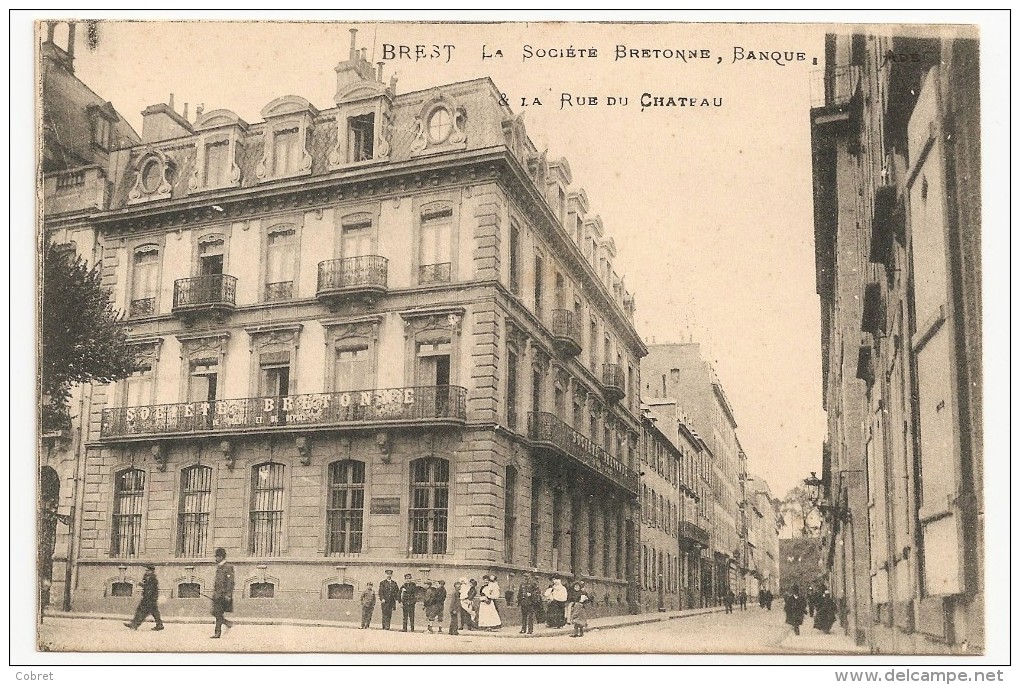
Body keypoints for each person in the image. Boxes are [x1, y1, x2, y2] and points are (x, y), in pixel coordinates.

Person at [124, 563, 164, 631]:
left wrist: (146, 597)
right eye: (146, 570)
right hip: (150, 598)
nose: (146, 572)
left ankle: (134, 624)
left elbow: (149, 589)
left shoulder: (152, 578)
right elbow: (147, 587)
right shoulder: (148, 577)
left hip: (149, 598)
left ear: (151, 571)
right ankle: (159, 625)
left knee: (142, 611)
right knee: (153, 612)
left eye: (147, 570)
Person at [210, 548, 234, 639]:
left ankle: (217, 633)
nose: (215, 559)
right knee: (215, 612)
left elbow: (230, 582)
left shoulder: (228, 567)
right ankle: (227, 623)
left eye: (216, 557)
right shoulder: (219, 567)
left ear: (220, 557)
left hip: (223, 595)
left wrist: (228, 594)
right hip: (217, 594)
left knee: (217, 613)